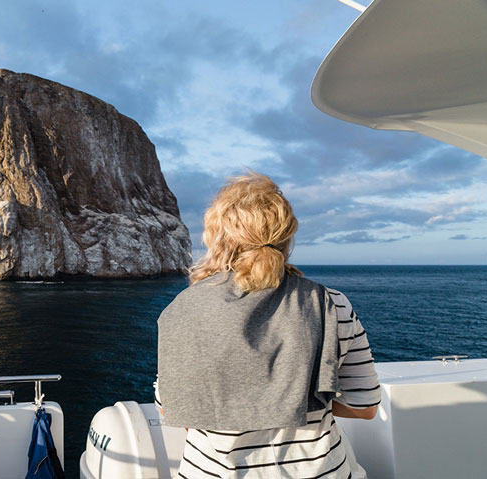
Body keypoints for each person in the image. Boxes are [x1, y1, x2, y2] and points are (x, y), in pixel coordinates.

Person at [156, 172, 380, 479]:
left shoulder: (179, 311)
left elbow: (174, 409)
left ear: (217, 237)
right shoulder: (331, 305)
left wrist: (242, 403)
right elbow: (365, 407)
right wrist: (295, 399)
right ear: (286, 236)